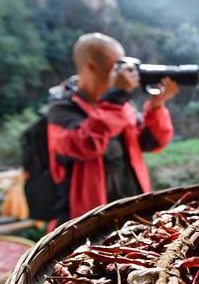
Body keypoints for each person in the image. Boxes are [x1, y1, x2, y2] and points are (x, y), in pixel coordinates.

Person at [47, 32, 178, 226]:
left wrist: (156, 106)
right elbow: (86, 145)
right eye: (117, 66)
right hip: (87, 222)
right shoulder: (62, 108)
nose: (122, 73)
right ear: (91, 66)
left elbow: (152, 142)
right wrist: (116, 99)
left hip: (133, 213)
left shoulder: (119, 104)